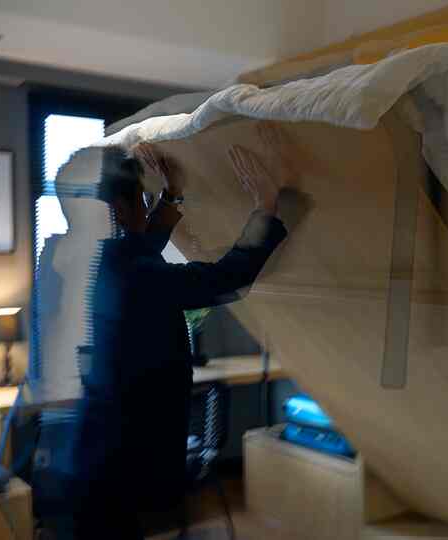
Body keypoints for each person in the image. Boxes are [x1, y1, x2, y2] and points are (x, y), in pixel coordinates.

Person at [68, 127, 288, 539]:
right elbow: (225, 278)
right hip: (120, 458)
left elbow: (141, 246)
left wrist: (171, 195)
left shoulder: (97, 256)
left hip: (99, 449)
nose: (146, 206)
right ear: (120, 209)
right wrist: (266, 205)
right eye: (142, 199)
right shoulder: (134, 273)